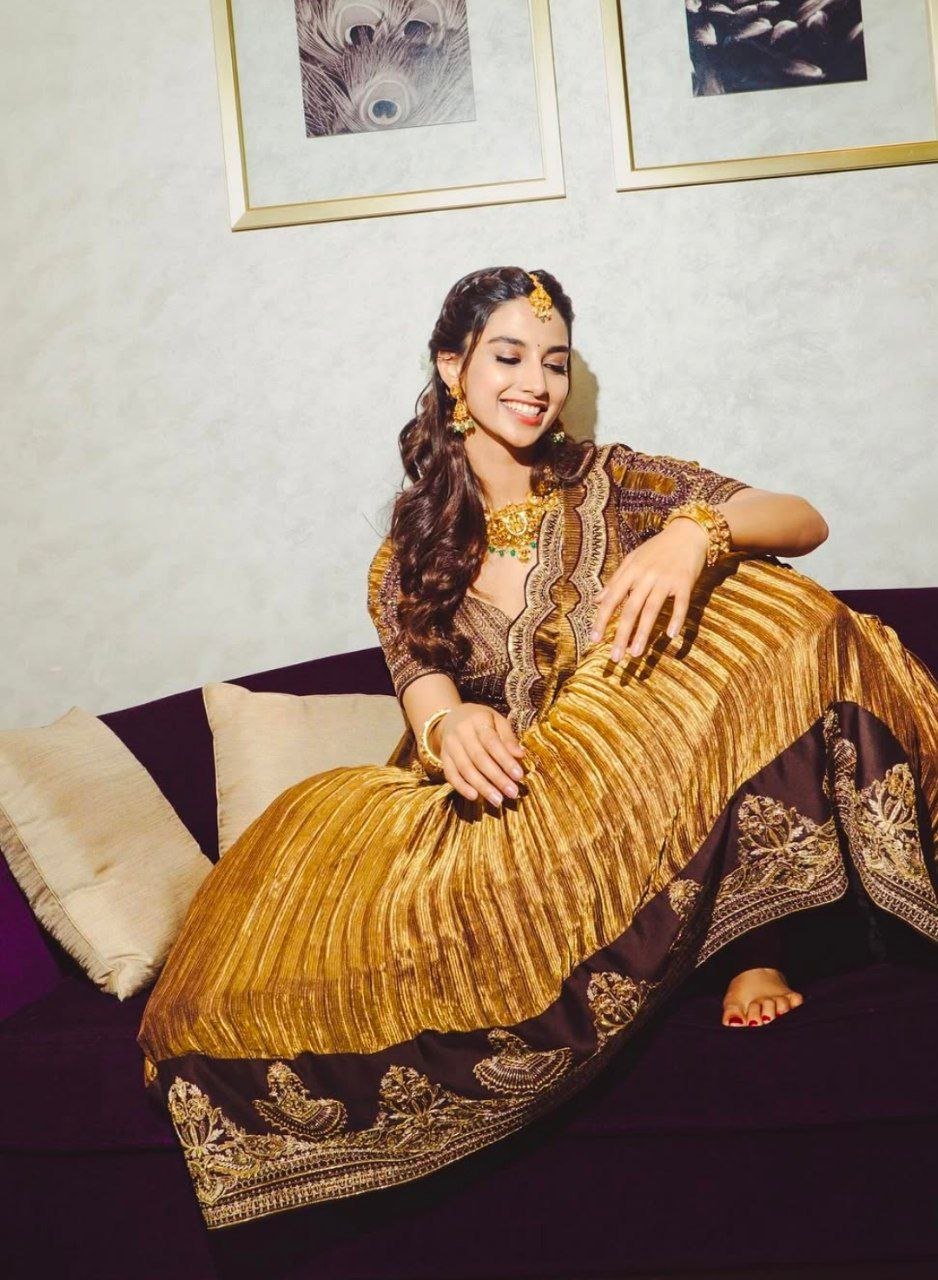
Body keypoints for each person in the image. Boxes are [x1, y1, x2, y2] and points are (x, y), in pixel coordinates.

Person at [137, 266, 938, 1232]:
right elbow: (421, 681)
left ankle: (753, 945)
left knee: (763, 599)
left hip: (648, 788)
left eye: (555, 363)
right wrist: (451, 726)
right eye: (509, 357)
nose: (536, 383)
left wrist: (694, 534)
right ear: (452, 369)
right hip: (524, 812)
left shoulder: (616, 482)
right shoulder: (410, 551)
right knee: (313, 886)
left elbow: (803, 520)